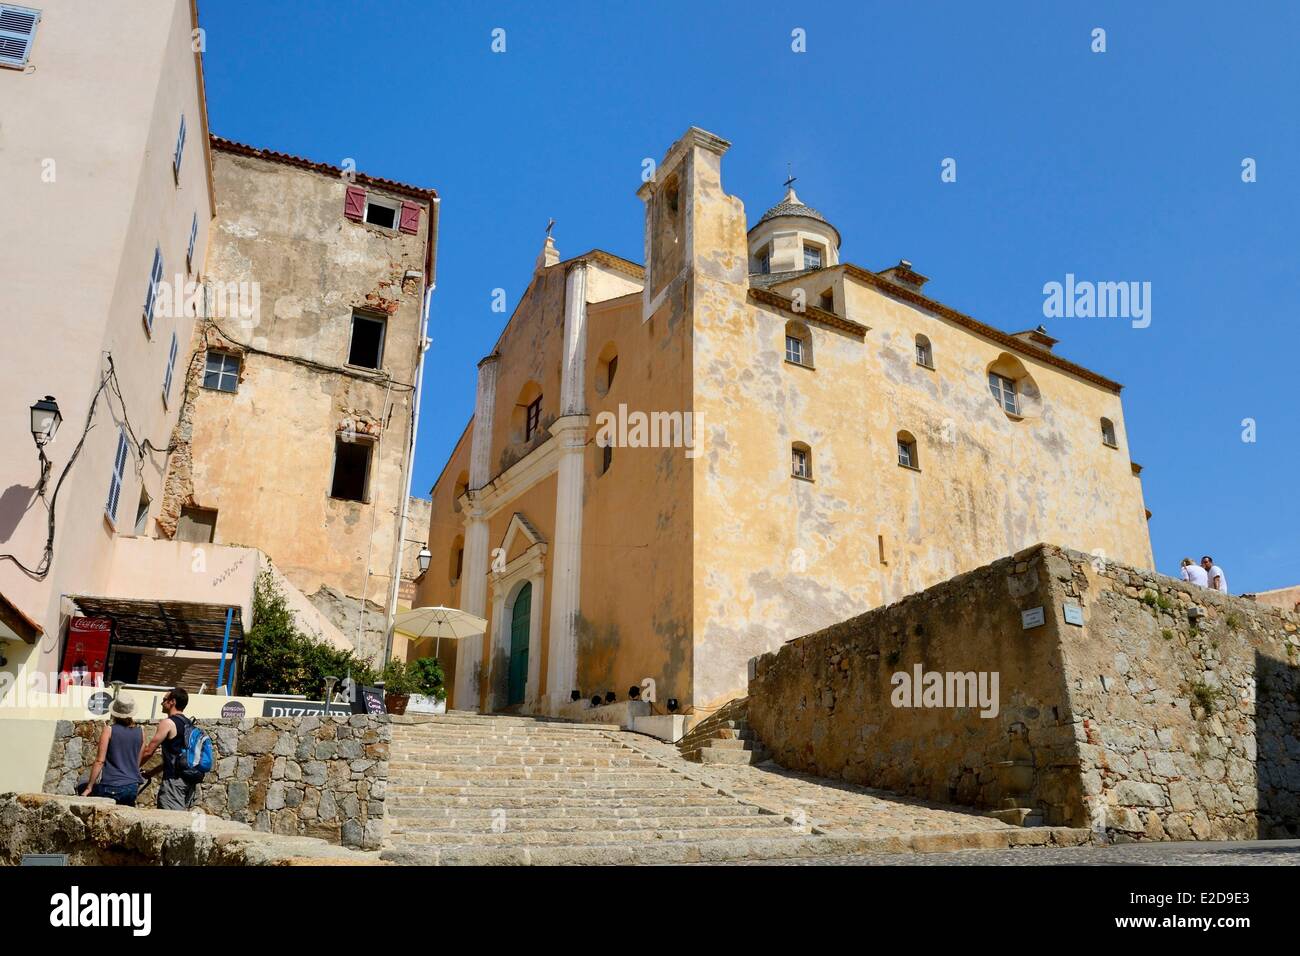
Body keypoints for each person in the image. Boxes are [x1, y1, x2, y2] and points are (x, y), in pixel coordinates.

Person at [140, 687, 198, 810]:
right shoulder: (189, 724)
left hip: (174, 782)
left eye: (164, 699)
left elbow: (149, 751)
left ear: (173, 702)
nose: (162, 703)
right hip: (189, 782)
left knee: (172, 821)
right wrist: (151, 773)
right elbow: (176, 758)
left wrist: (132, 767)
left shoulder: (168, 723)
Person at [81, 696, 145, 806]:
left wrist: (89, 787)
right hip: (132, 786)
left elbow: (99, 761)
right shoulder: (141, 732)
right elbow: (136, 763)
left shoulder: (109, 730)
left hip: (111, 784)